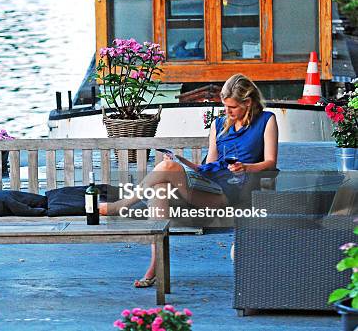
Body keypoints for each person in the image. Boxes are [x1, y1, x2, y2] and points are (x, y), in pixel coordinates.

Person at [99, 73, 279, 287]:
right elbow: (209, 165)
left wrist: (246, 167)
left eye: (232, 107)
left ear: (247, 103)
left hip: (232, 191)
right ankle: (156, 264)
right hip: (208, 185)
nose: (227, 112)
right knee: (161, 189)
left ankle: (121, 206)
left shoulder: (267, 120)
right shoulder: (220, 124)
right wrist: (184, 163)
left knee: (166, 170)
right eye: (225, 106)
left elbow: (270, 162)